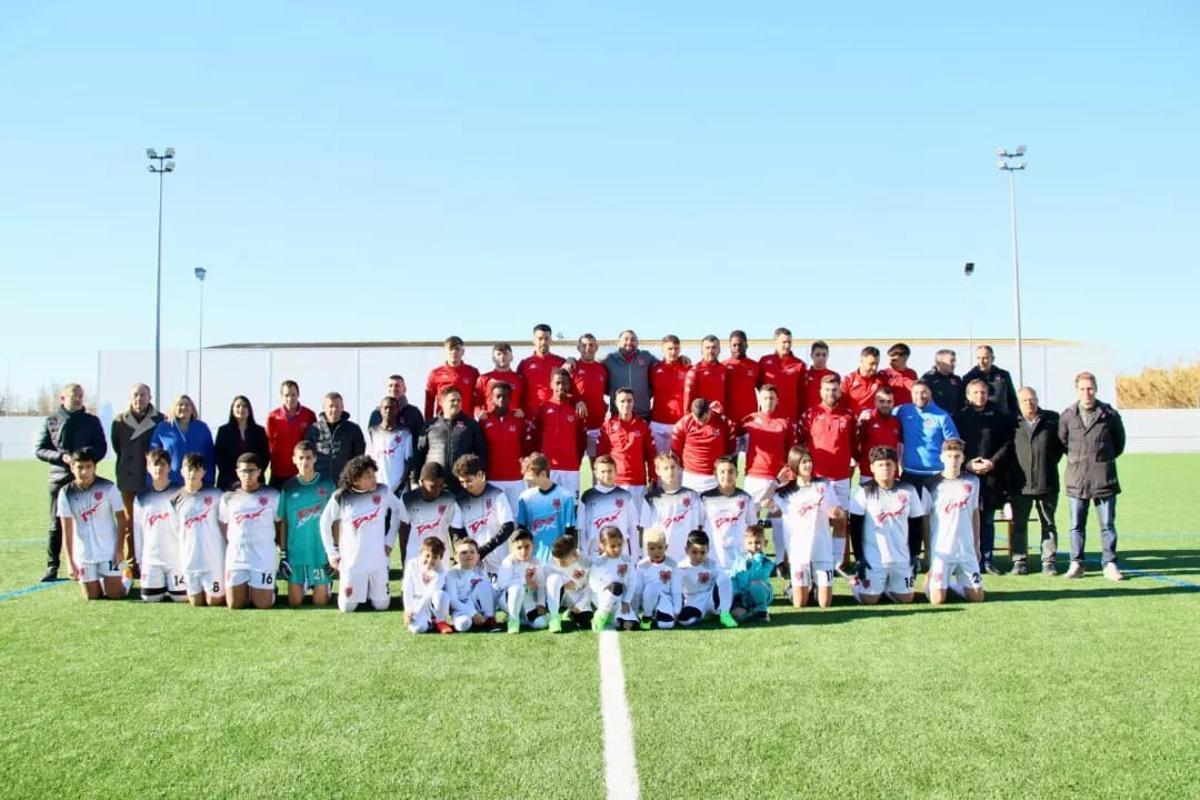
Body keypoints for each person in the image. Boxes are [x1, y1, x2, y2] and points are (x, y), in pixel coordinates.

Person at [1059, 372, 1126, 581]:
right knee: (1076, 526)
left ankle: (1110, 563)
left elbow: (1119, 443)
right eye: (1082, 389)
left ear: (1095, 389)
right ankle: (1076, 563)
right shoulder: (1068, 415)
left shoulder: (1109, 414)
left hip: (1103, 478)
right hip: (1076, 479)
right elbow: (1063, 442)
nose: (1086, 393)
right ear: (1076, 390)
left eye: (1090, 389)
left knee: (1107, 525)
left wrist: (1100, 460)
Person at [37, 383, 108, 581]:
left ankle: (96, 562)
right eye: (73, 395)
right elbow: (40, 449)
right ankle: (52, 566)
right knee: (56, 523)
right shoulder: (51, 421)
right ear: (62, 398)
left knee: (91, 520)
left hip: (87, 481)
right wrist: (61, 457)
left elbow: (101, 447)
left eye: (80, 396)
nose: (77, 399)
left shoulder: (92, 421)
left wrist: (85, 460)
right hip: (59, 479)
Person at [321, 454, 405, 612]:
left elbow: (398, 511)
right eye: (367, 476)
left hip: (378, 560)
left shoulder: (383, 491)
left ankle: (368, 591)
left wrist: (389, 541)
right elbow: (324, 522)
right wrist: (332, 554)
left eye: (374, 474)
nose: (373, 478)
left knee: (381, 606)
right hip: (352, 562)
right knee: (347, 607)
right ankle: (360, 590)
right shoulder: (341, 496)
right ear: (355, 480)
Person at [848, 447, 925, 605]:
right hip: (874, 559)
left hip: (901, 558)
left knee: (906, 600)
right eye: (880, 465)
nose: (885, 469)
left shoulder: (909, 490)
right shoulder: (862, 492)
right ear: (872, 468)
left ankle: (887, 587)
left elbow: (917, 525)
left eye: (889, 464)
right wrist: (859, 558)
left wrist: (915, 554)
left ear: (896, 466)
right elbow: (855, 528)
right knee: (869, 600)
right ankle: (856, 584)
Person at [954, 379, 1014, 575]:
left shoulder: (999, 415)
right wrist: (967, 463)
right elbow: (954, 444)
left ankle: (987, 560)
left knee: (987, 519)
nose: (980, 396)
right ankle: (968, 559)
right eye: (976, 393)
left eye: (983, 392)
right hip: (966, 474)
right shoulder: (960, 416)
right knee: (966, 519)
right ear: (968, 395)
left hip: (990, 475)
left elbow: (1007, 443)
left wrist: (992, 462)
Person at [797, 375, 856, 569]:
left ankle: (836, 562)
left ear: (840, 391)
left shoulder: (848, 415)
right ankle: (815, 559)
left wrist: (852, 465)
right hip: (817, 478)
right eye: (827, 390)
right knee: (816, 521)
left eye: (834, 390)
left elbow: (854, 445)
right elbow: (800, 443)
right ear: (820, 391)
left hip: (841, 477)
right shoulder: (810, 414)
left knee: (841, 519)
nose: (831, 393)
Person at [772, 446, 842, 609]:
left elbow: (839, 511)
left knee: (825, 604)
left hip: (822, 548)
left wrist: (836, 512)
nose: (808, 465)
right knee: (799, 604)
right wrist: (776, 482)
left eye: (809, 461)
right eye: (803, 462)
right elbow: (762, 502)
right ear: (794, 464)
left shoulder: (823, 484)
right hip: (798, 551)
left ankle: (816, 586)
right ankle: (792, 589)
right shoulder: (785, 492)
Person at [57, 447, 127, 600]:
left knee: (116, 594)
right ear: (72, 467)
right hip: (84, 554)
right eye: (79, 467)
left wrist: (119, 549)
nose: (84, 472)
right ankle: (101, 581)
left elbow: (122, 518)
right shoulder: (65, 493)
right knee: (92, 596)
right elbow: (66, 529)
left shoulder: (108, 487)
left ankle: (123, 579)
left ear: (95, 467)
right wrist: (70, 562)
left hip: (109, 551)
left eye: (88, 467)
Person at [921, 439, 985, 604]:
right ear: (942, 457)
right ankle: (931, 579)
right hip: (941, 549)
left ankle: (953, 584)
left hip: (966, 549)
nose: (953, 460)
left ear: (963, 458)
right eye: (949, 456)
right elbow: (925, 517)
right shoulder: (930, 484)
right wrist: (928, 548)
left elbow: (974, 512)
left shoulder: (973, 481)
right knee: (937, 601)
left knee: (977, 598)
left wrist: (976, 545)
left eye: (957, 456)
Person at [1011, 387, 1065, 576]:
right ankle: (1019, 561)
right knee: (1019, 524)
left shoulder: (1052, 419)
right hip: (1020, 484)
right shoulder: (1012, 421)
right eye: (1024, 400)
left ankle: (1048, 561)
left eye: (1032, 399)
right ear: (1019, 402)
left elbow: (1060, 448)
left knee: (1048, 524)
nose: (1029, 403)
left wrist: (1046, 464)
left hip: (1047, 482)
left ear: (1037, 399)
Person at [110, 382, 164, 573]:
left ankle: (153, 560)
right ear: (130, 398)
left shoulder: (161, 420)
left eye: (143, 395)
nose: (139, 399)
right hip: (128, 477)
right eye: (135, 395)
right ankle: (133, 562)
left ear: (150, 397)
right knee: (130, 522)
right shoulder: (119, 421)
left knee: (154, 521)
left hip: (152, 479)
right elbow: (118, 447)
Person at [735, 384, 793, 560]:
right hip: (754, 477)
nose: (768, 401)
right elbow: (735, 444)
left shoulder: (785, 423)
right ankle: (750, 558)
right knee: (751, 519)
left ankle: (780, 561)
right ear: (759, 400)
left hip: (778, 478)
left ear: (777, 401)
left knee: (779, 519)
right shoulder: (748, 421)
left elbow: (791, 452)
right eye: (765, 398)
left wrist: (787, 473)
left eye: (771, 398)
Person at [218, 453, 281, 610]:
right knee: (234, 605)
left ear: (259, 472)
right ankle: (248, 589)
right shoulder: (228, 497)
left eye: (252, 471)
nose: (248, 475)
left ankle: (270, 589)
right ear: (237, 472)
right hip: (237, 555)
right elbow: (223, 523)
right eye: (244, 471)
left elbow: (279, 522)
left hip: (262, 555)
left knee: (262, 605)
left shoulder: (273, 494)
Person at [277, 440, 335, 607]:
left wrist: (335, 549)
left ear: (315, 459)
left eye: (308, 458)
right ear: (294, 459)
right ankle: (303, 585)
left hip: (319, 551)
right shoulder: (288, 486)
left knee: (320, 602)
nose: (305, 462)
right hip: (296, 553)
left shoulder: (327, 484)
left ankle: (326, 585)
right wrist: (283, 554)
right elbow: (284, 522)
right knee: (295, 602)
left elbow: (336, 520)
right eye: (301, 458)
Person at [172, 452, 226, 607]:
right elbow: (175, 530)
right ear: (181, 471)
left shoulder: (217, 495)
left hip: (213, 560)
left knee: (214, 602)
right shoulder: (174, 499)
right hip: (190, 560)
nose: (192, 473)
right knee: (196, 603)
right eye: (188, 469)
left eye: (196, 469)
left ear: (203, 472)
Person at [132, 448, 186, 602]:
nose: (159, 468)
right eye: (154, 464)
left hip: (177, 560)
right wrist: (139, 560)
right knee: (151, 599)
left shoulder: (180, 493)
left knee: (182, 599)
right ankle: (127, 580)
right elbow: (138, 530)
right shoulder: (141, 497)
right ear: (148, 468)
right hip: (152, 560)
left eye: (163, 464)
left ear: (169, 467)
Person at [448, 454, 516, 575]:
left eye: (469, 481)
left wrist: (483, 550)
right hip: (474, 566)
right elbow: (456, 532)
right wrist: (467, 552)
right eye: (461, 482)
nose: (465, 485)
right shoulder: (460, 501)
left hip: (498, 565)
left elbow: (508, 527)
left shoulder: (497, 495)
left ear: (480, 475)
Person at [413, 386, 487, 492]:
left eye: (459, 400)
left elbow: (481, 454)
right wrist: (414, 481)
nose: (456, 403)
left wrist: (480, 478)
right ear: (441, 402)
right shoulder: (429, 425)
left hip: (463, 487)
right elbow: (419, 454)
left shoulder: (471, 425)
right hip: (435, 488)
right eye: (452, 400)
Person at [528, 369, 588, 497]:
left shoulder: (576, 409)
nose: (561, 387)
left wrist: (577, 460)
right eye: (558, 383)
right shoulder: (542, 408)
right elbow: (534, 437)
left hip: (571, 468)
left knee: (571, 508)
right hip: (549, 468)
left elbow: (582, 440)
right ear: (551, 384)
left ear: (569, 385)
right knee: (547, 509)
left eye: (564, 383)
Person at [596, 388, 656, 509]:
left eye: (629, 401)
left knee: (638, 524)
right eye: (622, 401)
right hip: (615, 482)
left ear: (634, 402)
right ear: (616, 403)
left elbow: (651, 455)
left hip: (638, 483)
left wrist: (653, 479)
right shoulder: (607, 426)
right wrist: (602, 480)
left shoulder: (643, 426)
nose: (626, 404)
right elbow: (601, 457)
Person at [640, 452, 705, 561]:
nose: (670, 472)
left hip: (686, 560)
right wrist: (647, 558)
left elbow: (699, 528)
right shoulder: (650, 499)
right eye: (665, 468)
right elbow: (646, 532)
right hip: (661, 559)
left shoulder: (692, 496)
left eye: (673, 467)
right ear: (658, 471)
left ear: (679, 469)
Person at [515, 452, 578, 565]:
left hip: (558, 561)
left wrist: (566, 556)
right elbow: (521, 531)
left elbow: (570, 533)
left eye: (530, 478)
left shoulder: (566, 497)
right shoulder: (525, 498)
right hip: (533, 561)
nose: (527, 482)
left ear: (543, 474)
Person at [895, 381, 960, 490]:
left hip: (936, 474)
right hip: (910, 473)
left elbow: (954, 444)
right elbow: (884, 412)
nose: (919, 396)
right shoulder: (903, 411)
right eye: (915, 393)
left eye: (923, 392)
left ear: (930, 393)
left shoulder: (942, 416)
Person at [477, 382, 529, 513]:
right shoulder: (484, 420)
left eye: (505, 396)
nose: (501, 400)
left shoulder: (519, 420)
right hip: (493, 479)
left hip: (516, 479)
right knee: (494, 519)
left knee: (517, 519)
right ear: (492, 398)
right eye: (498, 396)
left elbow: (526, 446)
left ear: (509, 398)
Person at [700, 456, 757, 570]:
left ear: (737, 474)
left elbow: (752, 528)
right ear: (715, 474)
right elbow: (698, 527)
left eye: (731, 471)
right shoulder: (705, 498)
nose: (726, 475)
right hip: (713, 558)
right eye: (722, 472)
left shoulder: (745, 498)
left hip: (739, 559)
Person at [676, 530, 737, 628]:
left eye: (702, 552)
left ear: (708, 550)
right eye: (694, 552)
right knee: (684, 621)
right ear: (686, 550)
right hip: (693, 600)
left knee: (724, 577)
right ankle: (704, 615)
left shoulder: (712, 564)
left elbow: (724, 583)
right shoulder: (680, 568)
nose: (698, 556)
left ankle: (724, 613)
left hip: (710, 596)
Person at [580, 455, 638, 558]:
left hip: (621, 553)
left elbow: (632, 529)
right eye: (602, 472)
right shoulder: (587, 496)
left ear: (616, 472)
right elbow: (582, 529)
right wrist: (584, 555)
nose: (606, 475)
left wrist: (634, 557)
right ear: (595, 473)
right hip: (596, 553)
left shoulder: (625, 496)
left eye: (610, 471)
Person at [150, 394, 214, 487]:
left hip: (197, 481)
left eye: (187, 405)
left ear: (192, 408)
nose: (183, 407)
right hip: (171, 481)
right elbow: (154, 456)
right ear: (174, 408)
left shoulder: (202, 428)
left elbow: (210, 456)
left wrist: (209, 480)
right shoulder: (164, 427)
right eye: (180, 405)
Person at [671, 398, 733, 493]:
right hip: (690, 478)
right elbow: (676, 450)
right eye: (698, 420)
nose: (701, 423)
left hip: (715, 477)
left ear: (709, 411)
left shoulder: (722, 421)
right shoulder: (683, 424)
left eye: (704, 419)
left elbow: (730, 447)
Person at [399, 463, 456, 565]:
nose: (437, 490)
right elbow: (404, 531)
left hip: (441, 556)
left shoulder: (449, 499)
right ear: (421, 481)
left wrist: (456, 555)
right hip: (415, 555)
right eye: (433, 486)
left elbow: (454, 529)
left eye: (441, 486)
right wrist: (404, 558)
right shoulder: (408, 499)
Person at [304, 392, 365, 487]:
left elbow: (359, 458)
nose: (334, 409)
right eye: (331, 406)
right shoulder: (314, 429)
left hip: (344, 484)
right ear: (324, 408)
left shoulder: (353, 429)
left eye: (337, 406)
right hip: (319, 484)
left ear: (342, 407)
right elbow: (307, 456)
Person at [265, 380, 317, 489]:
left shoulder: (309, 415)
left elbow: (313, 443)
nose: (290, 398)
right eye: (286, 395)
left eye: (293, 395)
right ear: (281, 396)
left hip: (302, 470)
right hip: (279, 472)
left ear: (298, 395)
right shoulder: (273, 417)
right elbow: (268, 443)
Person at [213, 395, 271, 490]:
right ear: (232, 410)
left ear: (249, 410)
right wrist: (239, 478)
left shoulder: (259, 431)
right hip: (229, 482)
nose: (241, 409)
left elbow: (265, 456)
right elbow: (220, 457)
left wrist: (252, 475)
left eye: (245, 406)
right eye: (238, 406)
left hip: (255, 482)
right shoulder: (223, 431)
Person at [588, 526, 640, 631]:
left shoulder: (626, 560)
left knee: (632, 626)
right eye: (612, 546)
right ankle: (600, 617)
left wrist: (626, 601)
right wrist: (606, 595)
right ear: (602, 546)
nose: (617, 549)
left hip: (621, 601)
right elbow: (593, 585)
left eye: (620, 545)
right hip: (603, 601)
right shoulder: (599, 563)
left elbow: (632, 582)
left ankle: (615, 619)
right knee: (616, 586)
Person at [496, 529, 548, 633]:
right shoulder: (508, 562)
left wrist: (541, 603)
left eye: (527, 546)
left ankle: (523, 619)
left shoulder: (535, 561)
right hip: (508, 600)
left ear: (532, 545)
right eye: (519, 548)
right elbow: (502, 584)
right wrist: (525, 580)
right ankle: (513, 620)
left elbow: (542, 585)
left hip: (528, 601)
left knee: (541, 624)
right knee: (517, 588)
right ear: (512, 548)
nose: (523, 551)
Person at [602, 329, 659, 419]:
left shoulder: (646, 356)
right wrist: (571, 360)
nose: (629, 342)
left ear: (637, 343)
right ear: (618, 342)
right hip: (619, 415)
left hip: (642, 415)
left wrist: (681, 358)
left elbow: (666, 364)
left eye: (633, 340)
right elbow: (591, 364)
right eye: (626, 339)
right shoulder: (609, 359)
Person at [444, 538, 499, 632]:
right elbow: (453, 601)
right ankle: (476, 620)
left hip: (479, 608)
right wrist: (472, 613)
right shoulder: (451, 574)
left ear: (478, 556)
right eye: (464, 552)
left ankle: (490, 619)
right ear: (456, 557)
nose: (469, 554)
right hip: (461, 609)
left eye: (472, 552)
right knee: (463, 624)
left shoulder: (481, 571)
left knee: (484, 584)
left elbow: (487, 594)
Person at [757, 327, 808, 424]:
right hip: (768, 418)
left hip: (789, 418)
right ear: (776, 342)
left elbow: (802, 394)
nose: (787, 345)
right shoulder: (764, 361)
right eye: (784, 342)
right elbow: (759, 386)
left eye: (789, 342)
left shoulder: (799, 364)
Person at [365, 396, 414, 495]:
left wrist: (401, 485)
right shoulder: (372, 432)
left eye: (392, 408)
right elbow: (368, 460)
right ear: (380, 410)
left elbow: (409, 462)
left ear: (397, 410)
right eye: (385, 407)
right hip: (377, 487)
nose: (388, 410)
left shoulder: (405, 433)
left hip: (398, 489)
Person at [648, 334, 689, 453]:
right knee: (660, 462)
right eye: (670, 349)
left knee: (679, 463)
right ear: (663, 349)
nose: (673, 352)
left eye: (676, 348)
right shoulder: (654, 369)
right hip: (657, 423)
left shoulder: (687, 368)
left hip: (680, 423)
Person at [544, 534, 593, 633]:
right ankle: (554, 617)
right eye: (557, 561)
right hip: (563, 595)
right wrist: (564, 580)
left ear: (574, 554)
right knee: (554, 579)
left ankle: (571, 613)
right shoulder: (556, 558)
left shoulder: (587, 562)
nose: (559, 565)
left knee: (586, 622)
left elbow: (591, 587)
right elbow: (546, 573)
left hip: (580, 596)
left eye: (562, 562)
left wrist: (580, 604)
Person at [424, 336, 481, 420]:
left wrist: (478, 415)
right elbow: (429, 401)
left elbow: (478, 399)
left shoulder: (473, 372)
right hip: (443, 421)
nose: (454, 352)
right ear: (445, 352)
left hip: (466, 422)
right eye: (450, 349)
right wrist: (428, 423)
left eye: (457, 349)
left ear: (463, 351)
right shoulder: (435, 374)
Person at [516, 323, 567, 417]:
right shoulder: (524, 364)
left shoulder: (560, 362)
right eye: (540, 339)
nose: (543, 342)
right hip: (531, 416)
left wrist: (571, 360)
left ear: (551, 340)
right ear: (534, 340)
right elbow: (518, 391)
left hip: (555, 415)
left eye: (546, 338)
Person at [572, 333, 610, 457]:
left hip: (596, 426)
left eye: (591, 345)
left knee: (597, 466)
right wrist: (576, 401)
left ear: (596, 347)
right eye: (584, 345)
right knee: (574, 464)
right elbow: (562, 393)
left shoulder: (602, 369)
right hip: (576, 426)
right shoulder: (572, 367)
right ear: (578, 348)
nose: (588, 348)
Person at [636, 527, 681, 630]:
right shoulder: (642, 565)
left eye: (660, 548)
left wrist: (676, 611)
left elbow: (676, 589)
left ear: (666, 547)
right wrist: (634, 611)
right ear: (646, 548)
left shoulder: (673, 564)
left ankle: (657, 616)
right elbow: (638, 590)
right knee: (652, 587)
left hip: (665, 599)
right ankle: (647, 616)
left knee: (666, 625)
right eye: (652, 548)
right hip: (647, 599)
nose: (656, 552)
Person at [403, 538, 452, 633]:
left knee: (441, 595)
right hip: (415, 604)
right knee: (417, 629)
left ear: (440, 559)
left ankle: (440, 620)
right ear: (421, 553)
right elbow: (407, 588)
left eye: (434, 557)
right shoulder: (412, 564)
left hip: (430, 605)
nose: (430, 560)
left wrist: (414, 612)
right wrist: (408, 610)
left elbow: (429, 595)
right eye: (427, 556)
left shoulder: (441, 572)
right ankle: (430, 623)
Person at [856, 386, 903, 483]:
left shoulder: (897, 422)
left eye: (889, 401)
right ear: (875, 402)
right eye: (881, 401)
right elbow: (856, 442)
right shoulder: (866, 419)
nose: (885, 405)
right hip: (868, 474)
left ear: (893, 403)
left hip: (891, 475)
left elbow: (900, 447)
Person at [728, 525, 774, 622]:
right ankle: (750, 610)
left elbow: (759, 576)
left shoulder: (767, 562)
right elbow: (734, 577)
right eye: (750, 543)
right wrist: (736, 593)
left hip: (761, 594)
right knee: (737, 616)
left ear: (764, 543)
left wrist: (757, 560)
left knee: (756, 584)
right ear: (745, 544)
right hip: (743, 595)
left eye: (757, 542)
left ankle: (762, 611)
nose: (754, 546)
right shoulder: (739, 559)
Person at [722, 330, 760, 446]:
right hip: (730, 421)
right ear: (730, 346)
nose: (737, 347)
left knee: (751, 459)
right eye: (734, 345)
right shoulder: (723, 366)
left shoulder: (755, 366)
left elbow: (763, 391)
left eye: (740, 344)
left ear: (746, 345)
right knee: (730, 459)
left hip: (751, 421)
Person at [963, 345, 1020, 420]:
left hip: (1003, 421)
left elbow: (1012, 398)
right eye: (978, 358)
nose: (981, 361)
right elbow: (964, 401)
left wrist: (1016, 416)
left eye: (985, 358)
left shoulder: (1003, 375)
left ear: (992, 359)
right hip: (979, 421)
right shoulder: (969, 377)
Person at [366, 374, 425, 441]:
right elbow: (371, 440)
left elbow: (421, 440)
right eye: (390, 386)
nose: (393, 389)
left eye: (397, 386)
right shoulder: (377, 414)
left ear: (404, 389)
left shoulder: (414, 413)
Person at [474, 343, 526, 418]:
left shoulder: (519, 379)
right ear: (493, 358)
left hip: (513, 423)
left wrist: (522, 411)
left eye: (505, 354)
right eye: (498, 354)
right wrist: (478, 413)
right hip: (489, 422)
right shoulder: (483, 379)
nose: (502, 357)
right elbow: (476, 402)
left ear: (511, 357)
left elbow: (525, 402)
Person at [683, 335, 726, 414]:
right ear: (702, 351)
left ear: (719, 350)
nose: (710, 351)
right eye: (707, 348)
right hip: (702, 420)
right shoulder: (695, 371)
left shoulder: (723, 369)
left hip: (719, 420)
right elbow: (687, 403)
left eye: (714, 347)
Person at [840, 346, 885, 418]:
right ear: (862, 361)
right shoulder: (848, 380)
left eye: (877, 364)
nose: (875, 368)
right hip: (853, 422)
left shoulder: (882, 379)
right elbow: (840, 405)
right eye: (872, 364)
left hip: (875, 423)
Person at [922, 349, 965, 414]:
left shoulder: (957, 380)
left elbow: (962, 403)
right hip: (935, 420)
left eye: (955, 361)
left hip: (954, 420)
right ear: (940, 363)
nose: (955, 364)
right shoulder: (928, 379)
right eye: (952, 361)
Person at [804, 340, 839, 410]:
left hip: (828, 417)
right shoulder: (804, 376)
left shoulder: (834, 376)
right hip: (809, 417)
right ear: (811, 355)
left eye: (824, 355)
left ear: (828, 356)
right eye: (817, 354)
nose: (821, 358)